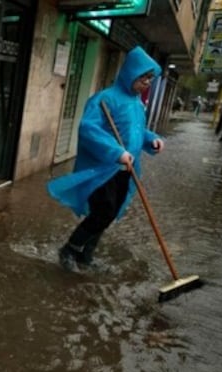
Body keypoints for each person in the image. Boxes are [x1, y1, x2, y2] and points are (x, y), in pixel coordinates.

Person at [47, 46, 165, 271]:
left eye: (150, 78)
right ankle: (70, 249)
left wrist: (152, 140)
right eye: (143, 77)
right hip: (101, 169)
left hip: (125, 171)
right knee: (104, 211)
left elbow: (137, 132)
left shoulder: (137, 104)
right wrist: (116, 152)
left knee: (110, 214)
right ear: (131, 73)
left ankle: (86, 257)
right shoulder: (105, 99)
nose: (147, 83)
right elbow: (89, 129)